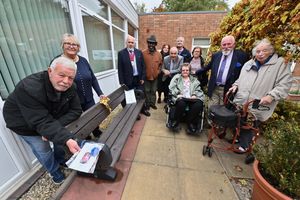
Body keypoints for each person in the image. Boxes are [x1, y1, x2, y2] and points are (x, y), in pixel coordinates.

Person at [3, 57, 82, 184]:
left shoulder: (71, 87)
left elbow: (76, 110)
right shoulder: (28, 87)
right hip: (23, 123)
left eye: (71, 78)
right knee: (43, 149)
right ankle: (55, 172)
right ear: (50, 71)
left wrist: (53, 128)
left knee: (59, 138)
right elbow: (40, 121)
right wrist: (61, 135)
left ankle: (61, 161)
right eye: (61, 75)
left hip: (48, 118)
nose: (66, 81)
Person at [228, 38, 293, 153]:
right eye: (258, 51)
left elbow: (284, 84)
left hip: (259, 101)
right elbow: (241, 78)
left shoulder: (280, 64)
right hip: (242, 99)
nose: (261, 54)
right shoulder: (249, 63)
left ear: (271, 51)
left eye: (264, 51)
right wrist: (235, 85)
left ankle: (245, 146)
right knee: (240, 121)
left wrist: (272, 96)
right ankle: (239, 139)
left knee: (251, 124)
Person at [60, 33, 105, 138]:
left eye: (74, 44)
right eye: (68, 43)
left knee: (93, 118)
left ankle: (96, 131)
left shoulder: (83, 60)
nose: (71, 46)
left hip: (89, 98)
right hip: (72, 103)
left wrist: (100, 93)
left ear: (78, 47)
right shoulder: (59, 62)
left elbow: (92, 78)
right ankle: (85, 136)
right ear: (63, 45)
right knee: (80, 122)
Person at [197, 35, 249, 107]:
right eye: (224, 44)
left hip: (228, 89)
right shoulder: (216, 55)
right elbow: (208, 67)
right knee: (212, 109)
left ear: (234, 45)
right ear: (221, 46)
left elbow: (246, 73)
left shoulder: (242, 56)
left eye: (229, 44)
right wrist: (195, 72)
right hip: (214, 88)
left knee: (223, 112)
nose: (226, 46)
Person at [118, 35, 150, 117]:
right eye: (129, 42)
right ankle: (134, 113)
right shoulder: (121, 53)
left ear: (134, 43)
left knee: (142, 95)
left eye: (132, 42)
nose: (130, 44)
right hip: (128, 79)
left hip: (138, 78)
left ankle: (143, 109)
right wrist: (121, 82)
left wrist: (143, 77)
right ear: (126, 43)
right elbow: (120, 69)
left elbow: (143, 66)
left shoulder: (139, 52)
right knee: (131, 96)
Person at [169, 63, 204, 134]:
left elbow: (198, 89)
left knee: (199, 104)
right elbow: (171, 87)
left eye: (187, 70)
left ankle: (190, 122)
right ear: (181, 71)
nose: (185, 71)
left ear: (189, 71)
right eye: (183, 70)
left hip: (191, 97)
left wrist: (194, 94)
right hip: (181, 97)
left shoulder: (194, 79)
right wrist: (178, 93)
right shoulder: (177, 77)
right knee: (181, 103)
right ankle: (176, 121)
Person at [142, 35, 163, 110]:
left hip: (155, 77)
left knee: (153, 91)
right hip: (146, 77)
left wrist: (158, 72)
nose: (151, 45)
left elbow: (160, 65)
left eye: (153, 43)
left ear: (155, 44)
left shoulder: (159, 54)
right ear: (148, 43)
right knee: (147, 91)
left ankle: (152, 103)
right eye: (149, 43)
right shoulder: (143, 53)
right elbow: (141, 65)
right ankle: (147, 104)